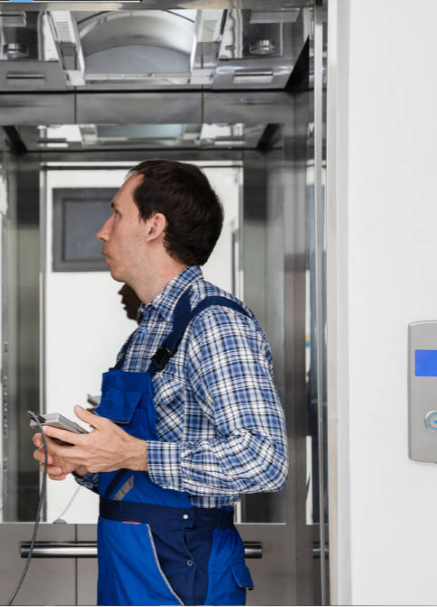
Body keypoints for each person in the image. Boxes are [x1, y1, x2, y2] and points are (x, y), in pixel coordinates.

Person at [32, 160, 288, 606]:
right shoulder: (148, 333)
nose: (102, 231)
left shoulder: (215, 324)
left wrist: (133, 452)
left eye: (116, 214)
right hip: (129, 567)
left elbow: (263, 458)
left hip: (183, 573)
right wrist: (84, 461)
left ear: (154, 226)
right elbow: (134, 472)